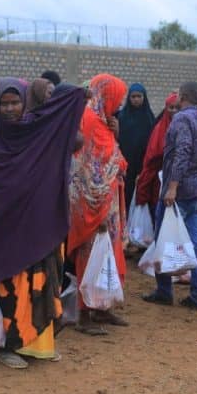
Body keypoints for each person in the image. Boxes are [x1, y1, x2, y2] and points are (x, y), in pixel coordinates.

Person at [0, 79, 86, 369]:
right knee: (12, 288)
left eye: (15, 102)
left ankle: (37, 345)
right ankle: (8, 345)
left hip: (37, 224)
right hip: (4, 231)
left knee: (41, 284)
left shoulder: (35, 131)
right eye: (4, 103)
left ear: (24, 103)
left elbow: (70, 129)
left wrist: (80, 95)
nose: (9, 109)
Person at [142, 81, 197, 311]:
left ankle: (165, 291)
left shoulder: (182, 119)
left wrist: (172, 187)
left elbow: (183, 152)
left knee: (164, 238)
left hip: (181, 191)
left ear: (182, 96)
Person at [69, 74, 128, 335]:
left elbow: (113, 157)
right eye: (118, 98)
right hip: (94, 203)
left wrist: (116, 133)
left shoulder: (103, 121)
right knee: (90, 255)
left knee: (107, 255)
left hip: (108, 201)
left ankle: (102, 307)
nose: (120, 104)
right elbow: (87, 166)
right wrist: (100, 208)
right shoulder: (90, 120)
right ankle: (84, 314)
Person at [134, 93, 180, 220]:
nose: (174, 111)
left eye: (177, 108)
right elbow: (152, 155)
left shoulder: (185, 126)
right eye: (171, 108)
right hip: (159, 178)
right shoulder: (160, 128)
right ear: (166, 109)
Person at [116, 83, 156, 209]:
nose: (136, 99)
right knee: (124, 194)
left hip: (142, 163)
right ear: (129, 98)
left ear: (144, 98)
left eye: (139, 96)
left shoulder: (149, 118)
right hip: (124, 162)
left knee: (140, 193)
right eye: (133, 97)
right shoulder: (121, 116)